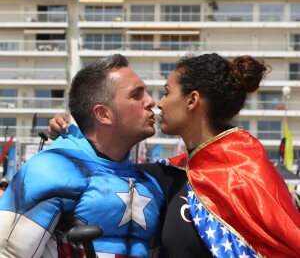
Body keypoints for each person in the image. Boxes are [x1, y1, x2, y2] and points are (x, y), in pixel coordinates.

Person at [48, 53, 300, 258]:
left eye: (167, 92)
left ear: (192, 101)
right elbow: (106, 162)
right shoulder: (168, 174)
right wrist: (74, 136)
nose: (158, 103)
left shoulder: (247, 173)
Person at [0, 54, 164, 258]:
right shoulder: (52, 169)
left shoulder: (153, 182)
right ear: (103, 114)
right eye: (136, 95)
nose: (151, 101)